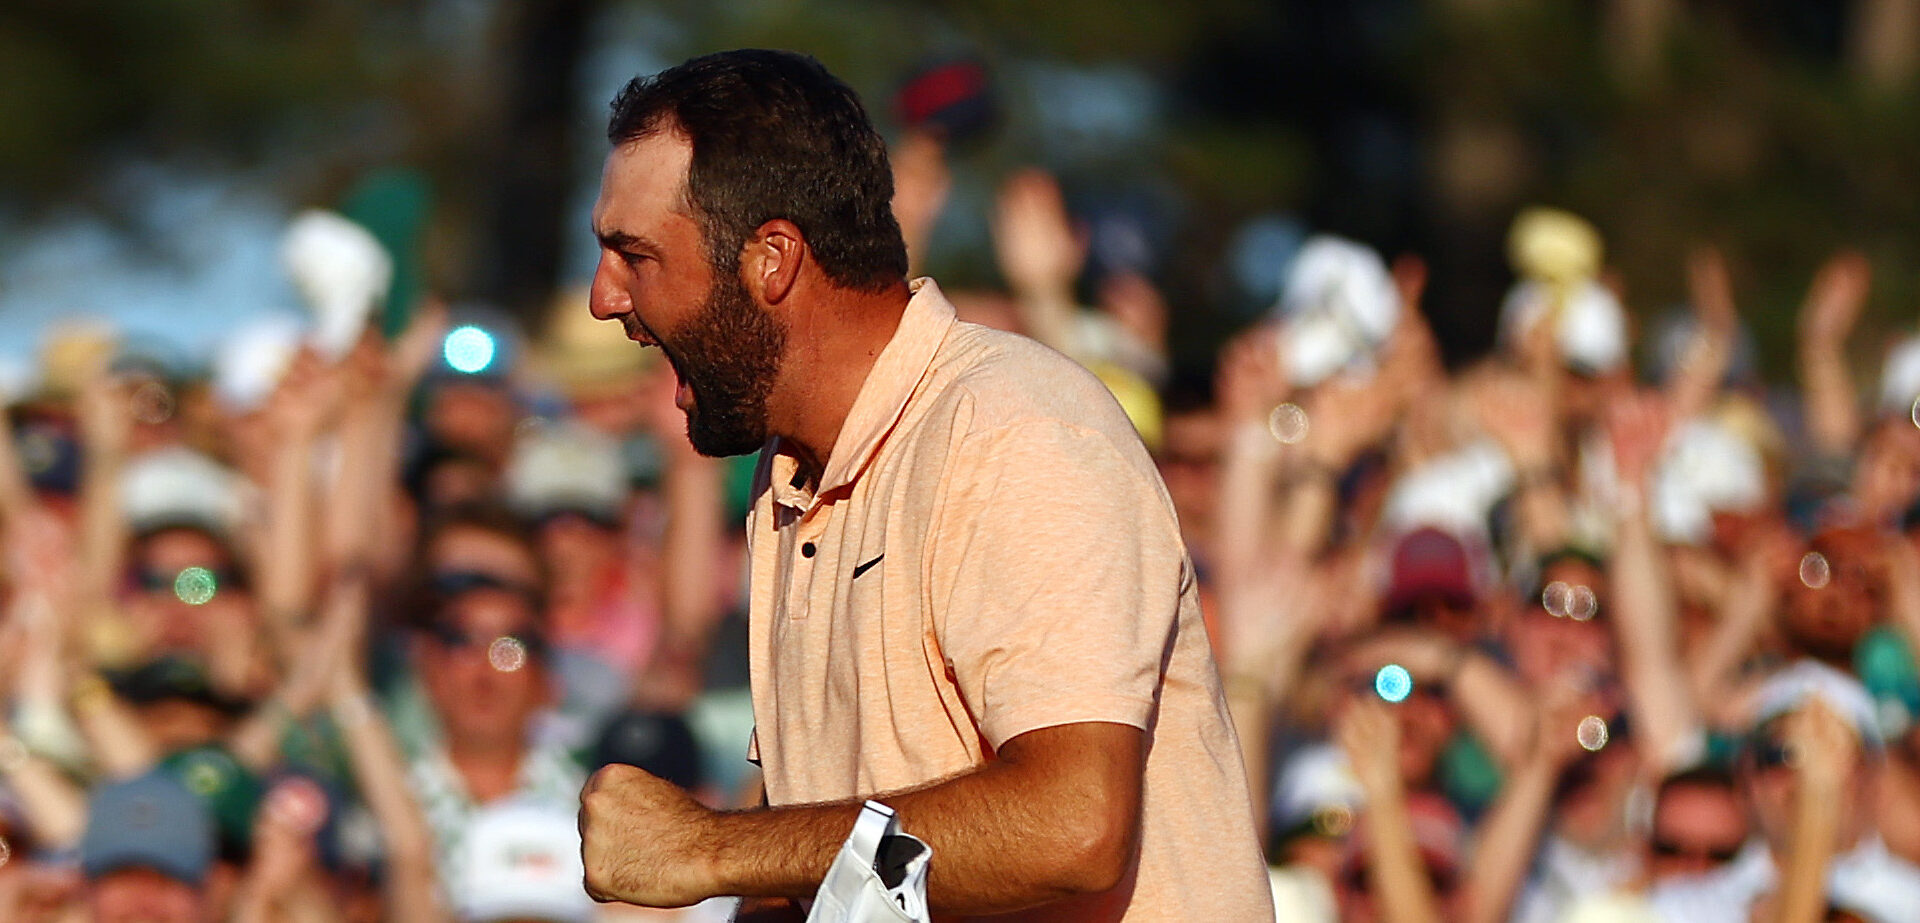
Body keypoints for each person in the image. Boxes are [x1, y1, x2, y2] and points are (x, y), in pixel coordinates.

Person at [575, 49, 1272, 919]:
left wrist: (709, 849)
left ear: (772, 261)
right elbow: (825, 847)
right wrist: (747, 866)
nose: (604, 298)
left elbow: (1074, 824)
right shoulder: (791, 474)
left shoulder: (1015, 431)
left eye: (633, 254)